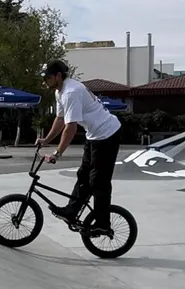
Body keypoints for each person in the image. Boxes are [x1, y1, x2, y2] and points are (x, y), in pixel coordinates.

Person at [36, 59, 122, 235]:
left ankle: (103, 224)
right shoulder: (60, 92)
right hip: (94, 135)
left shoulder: (71, 92)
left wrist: (57, 153)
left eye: (47, 77)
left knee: (98, 181)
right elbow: (60, 119)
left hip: (108, 134)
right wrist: (46, 139)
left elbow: (71, 127)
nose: (45, 81)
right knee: (83, 175)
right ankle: (71, 211)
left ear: (58, 76)